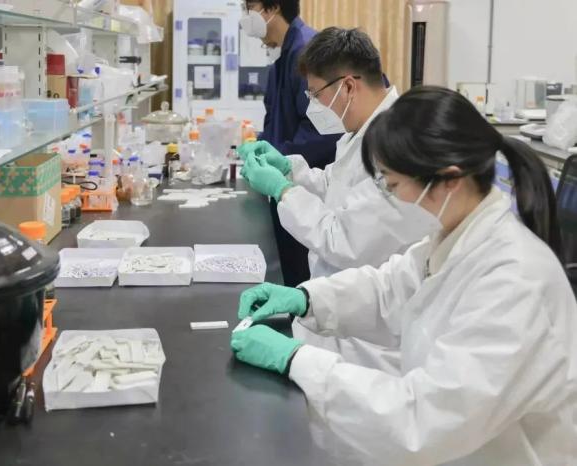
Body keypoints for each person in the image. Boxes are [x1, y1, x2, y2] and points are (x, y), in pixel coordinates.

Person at [231, 86, 577, 465]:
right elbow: (390, 289)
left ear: (449, 179)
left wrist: (297, 360)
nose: (391, 197)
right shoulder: (454, 239)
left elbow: (424, 421)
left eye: (393, 185)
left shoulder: (515, 282)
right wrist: (307, 299)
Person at [240, 28, 430, 281]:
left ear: (348, 86)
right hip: (337, 289)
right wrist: (288, 169)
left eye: (316, 94)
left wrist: (283, 190)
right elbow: (336, 186)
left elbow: (343, 241)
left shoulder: (397, 146)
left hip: (363, 296)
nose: (313, 105)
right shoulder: (361, 128)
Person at [240, 0, 340, 287]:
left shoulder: (305, 51)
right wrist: (262, 146)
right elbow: (279, 118)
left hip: (308, 189)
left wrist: (280, 158)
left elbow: (322, 129)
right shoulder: (283, 53)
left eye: (249, 7)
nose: (245, 16)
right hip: (291, 183)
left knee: (300, 277)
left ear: (271, 8)